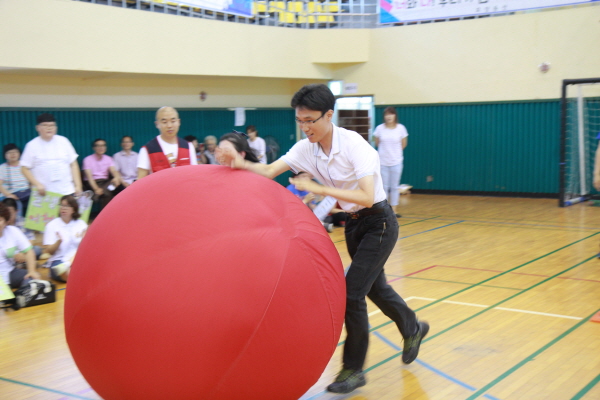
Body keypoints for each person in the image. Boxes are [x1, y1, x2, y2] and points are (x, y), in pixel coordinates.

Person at [218, 83, 428, 394]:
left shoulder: (355, 145)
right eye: (299, 121)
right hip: (355, 225)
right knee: (377, 288)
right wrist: (240, 163)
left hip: (379, 222)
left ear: (329, 115)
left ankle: (353, 370)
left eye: (310, 121)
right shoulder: (307, 148)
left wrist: (319, 189)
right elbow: (269, 170)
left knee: (352, 293)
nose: (304, 128)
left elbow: (368, 196)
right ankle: (412, 326)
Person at [20, 113, 82, 197]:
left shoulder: (64, 141)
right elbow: (24, 169)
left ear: (56, 128)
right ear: (38, 128)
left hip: (67, 190)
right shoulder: (31, 145)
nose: (49, 128)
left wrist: (78, 185)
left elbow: (74, 164)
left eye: (52, 125)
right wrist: (37, 184)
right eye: (45, 125)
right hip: (45, 193)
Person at [137, 107, 198, 180]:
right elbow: (140, 181)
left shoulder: (188, 146)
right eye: (164, 122)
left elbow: (194, 175)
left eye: (173, 121)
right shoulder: (147, 150)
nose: (169, 126)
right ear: (157, 124)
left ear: (179, 122)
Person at [43, 195, 87, 282]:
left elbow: (87, 246)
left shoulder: (81, 224)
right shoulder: (52, 225)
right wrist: (58, 242)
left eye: (67, 206)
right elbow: (50, 251)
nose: (63, 208)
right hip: (58, 260)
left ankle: (71, 268)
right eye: (62, 205)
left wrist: (84, 239)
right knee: (67, 274)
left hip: (78, 259)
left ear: (73, 209)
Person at [374, 107, 408, 218]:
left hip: (396, 162)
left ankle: (393, 210)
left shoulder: (401, 128)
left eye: (391, 114)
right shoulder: (379, 129)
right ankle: (384, 210)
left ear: (395, 116)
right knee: (383, 186)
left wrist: (395, 154)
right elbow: (377, 143)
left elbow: (403, 144)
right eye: (386, 114)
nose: (388, 116)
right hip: (383, 162)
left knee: (394, 187)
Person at [0, 203, 39, 290]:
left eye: (0, 220)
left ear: (6, 221)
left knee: (33, 277)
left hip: (10, 272)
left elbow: (29, 251)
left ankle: (21, 296)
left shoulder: (13, 231)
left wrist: (31, 271)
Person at [82, 139, 122, 213]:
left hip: (105, 182)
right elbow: (89, 177)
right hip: (92, 183)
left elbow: (113, 171)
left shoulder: (109, 159)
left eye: (103, 145)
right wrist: (96, 189)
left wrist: (116, 177)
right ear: (94, 148)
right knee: (108, 193)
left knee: (114, 182)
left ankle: (96, 197)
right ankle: (104, 215)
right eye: (98, 146)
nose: (101, 148)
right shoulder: (87, 159)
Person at [0, 144, 31, 212]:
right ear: (5, 155)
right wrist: (9, 195)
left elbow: (31, 182)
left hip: (26, 194)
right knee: (15, 204)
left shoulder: (25, 166)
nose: (13, 154)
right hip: (10, 195)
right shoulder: (2, 168)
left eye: (15, 152)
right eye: (9, 152)